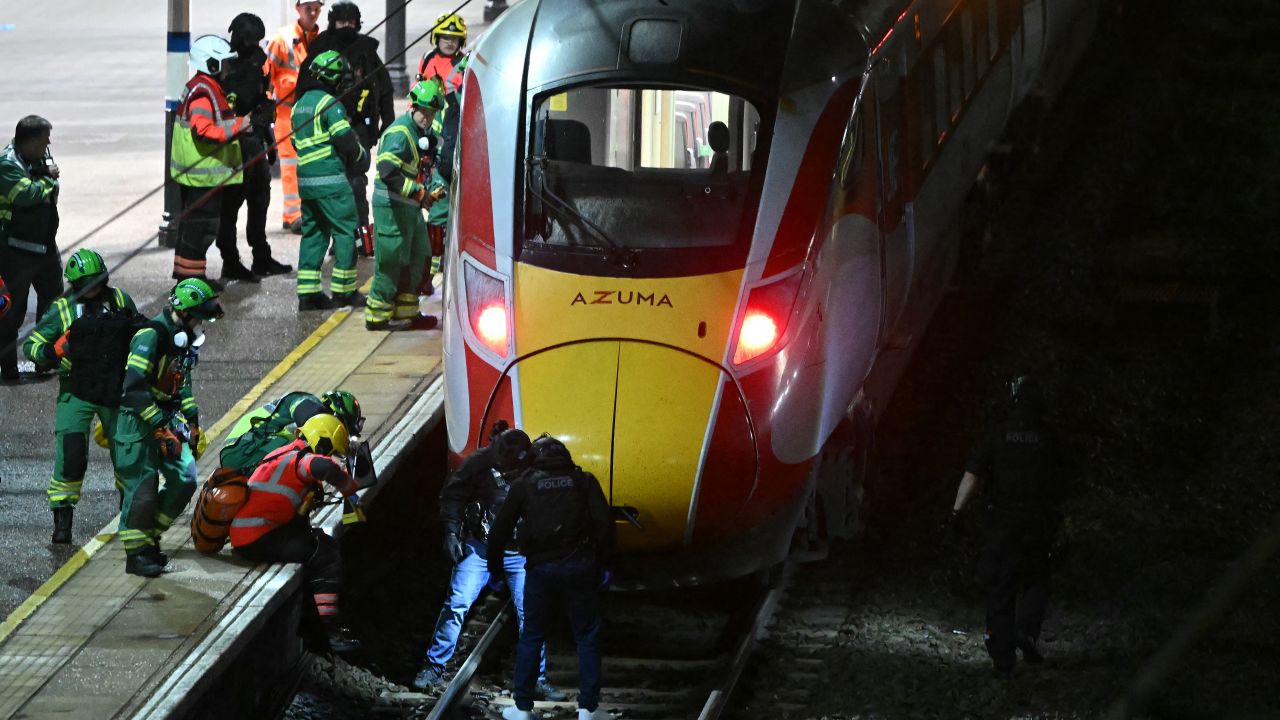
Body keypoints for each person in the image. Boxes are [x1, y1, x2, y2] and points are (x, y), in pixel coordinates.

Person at [412, 423, 565, 701]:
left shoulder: (539, 467)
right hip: (480, 547)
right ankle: (433, 667)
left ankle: (536, 678)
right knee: (457, 603)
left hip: (520, 553)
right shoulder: (480, 461)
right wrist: (450, 532)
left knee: (529, 614)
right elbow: (453, 496)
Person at [488, 435, 613, 720]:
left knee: (531, 635)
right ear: (566, 457)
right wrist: (605, 565)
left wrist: (495, 571)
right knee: (587, 637)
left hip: (541, 571)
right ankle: (589, 709)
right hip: (580, 567)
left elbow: (500, 530)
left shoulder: (525, 484)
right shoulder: (584, 481)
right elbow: (604, 525)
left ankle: (522, 707)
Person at [23, 249, 142, 543]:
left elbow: (142, 330)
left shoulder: (120, 300)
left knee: (127, 454)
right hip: (76, 389)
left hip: (114, 388)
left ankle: (130, 514)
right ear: (76, 284)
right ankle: (62, 520)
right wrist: (53, 351)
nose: (96, 288)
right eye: (89, 283)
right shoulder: (62, 308)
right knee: (71, 454)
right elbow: (32, 346)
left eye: (99, 280)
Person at [950, 375, 1063, 679]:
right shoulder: (1050, 437)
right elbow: (1063, 481)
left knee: (1002, 586)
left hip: (1004, 522)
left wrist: (957, 512)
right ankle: (1026, 631)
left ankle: (1003, 657)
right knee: (1037, 578)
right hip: (1039, 522)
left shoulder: (997, 435)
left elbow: (972, 475)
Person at [113, 278, 223, 577]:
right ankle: (136, 555)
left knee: (185, 479)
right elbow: (133, 389)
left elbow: (181, 383)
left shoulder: (182, 341)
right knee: (142, 489)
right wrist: (160, 425)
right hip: (138, 423)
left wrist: (193, 421)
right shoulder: (151, 336)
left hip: (167, 419)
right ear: (184, 312)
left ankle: (150, 538)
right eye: (199, 317)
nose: (202, 323)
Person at [230, 413, 363, 653]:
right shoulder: (301, 460)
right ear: (322, 443)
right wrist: (349, 488)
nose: (332, 457)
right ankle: (330, 633)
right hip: (257, 537)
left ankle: (315, 627)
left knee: (323, 543)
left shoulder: (284, 452)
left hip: (254, 532)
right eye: (332, 451)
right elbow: (322, 467)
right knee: (324, 556)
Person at [301, 0, 395, 253]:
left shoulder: (366, 50)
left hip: (359, 128)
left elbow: (384, 89)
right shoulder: (319, 49)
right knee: (333, 187)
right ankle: (337, 239)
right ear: (332, 23)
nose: (346, 27)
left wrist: (387, 124)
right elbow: (303, 91)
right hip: (326, 130)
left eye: (351, 23)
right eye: (342, 22)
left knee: (355, 184)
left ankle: (360, 239)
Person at [365, 80, 445, 331]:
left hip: (409, 206)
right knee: (391, 259)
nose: (427, 118)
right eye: (424, 112)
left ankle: (407, 312)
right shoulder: (400, 133)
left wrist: (426, 193)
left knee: (419, 256)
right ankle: (377, 316)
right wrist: (419, 192)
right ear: (413, 107)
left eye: (432, 114)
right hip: (391, 207)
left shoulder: (422, 133)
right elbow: (387, 171)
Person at [170, 34, 250, 287]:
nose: (227, 69)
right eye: (223, 64)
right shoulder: (204, 93)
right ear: (211, 64)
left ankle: (187, 276)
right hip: (203, 175)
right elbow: (203, 130)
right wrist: (240, 126)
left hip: (198, 175)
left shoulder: (202, 86)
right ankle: (192, 282)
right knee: (201, 229)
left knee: (193, 227)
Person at [219, 13, 293, 280]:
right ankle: (230, 261)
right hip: (235, 147)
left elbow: (262, 95)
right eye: (251, 41)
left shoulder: (258, 61)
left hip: (257, 142)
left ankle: (261, 256)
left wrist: (268, 137)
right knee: (231, 206)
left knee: (260, 199)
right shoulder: (223, 64)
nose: (256, 47)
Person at [291, 50, 367, 311]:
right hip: (331, 180)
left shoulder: (298, 105)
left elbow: (294, 142)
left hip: (306, 182)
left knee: (313, 232)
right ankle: (344, 291)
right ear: (333, 78)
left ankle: (308, 294)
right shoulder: (330, 104)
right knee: (346, 231)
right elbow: (345, 139)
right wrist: (360, 155)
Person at [0, 115, 63, 382]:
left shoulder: (41, 156)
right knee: (12, 312)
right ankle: (9, 367)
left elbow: (53, 182)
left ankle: (43, 359)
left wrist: (48, 180)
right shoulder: (7, 165)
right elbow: (28, 195)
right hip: (16, 251)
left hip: (45, 246)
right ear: (31, 141)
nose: (49, 144)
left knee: (53, 307)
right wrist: (48, 181)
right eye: (45, 139)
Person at [267, 0, 324, 234]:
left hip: (312, 112)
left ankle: (304, 212)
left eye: (317, 8)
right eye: (308, 8)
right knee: (290, 164)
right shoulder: (282, 39)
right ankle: (293, 214)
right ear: (297, 8)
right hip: (286, 112)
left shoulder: (321, 39)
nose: (313, 12)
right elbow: (265, 73)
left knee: (309, 161)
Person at [219, 388, 364, 475]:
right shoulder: (306, 401)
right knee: (302, 453)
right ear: (335, 415)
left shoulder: (316, 431)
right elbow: (309, 415)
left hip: (253, 452)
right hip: (243, 448)